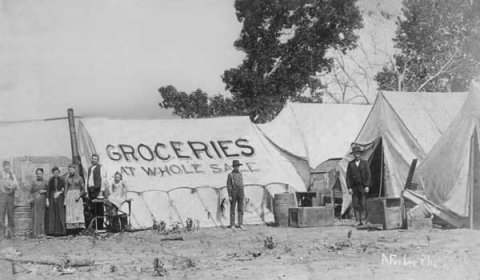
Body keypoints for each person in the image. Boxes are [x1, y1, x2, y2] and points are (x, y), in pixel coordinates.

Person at [346, 146, 371, 226]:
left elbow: (368, 175)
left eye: (358, 153)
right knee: (355, 204)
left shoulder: (365, 163)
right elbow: (348, 177)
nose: (356, 155)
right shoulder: (350, 164)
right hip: (354, 188)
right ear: (353, 155)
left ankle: (363, 220)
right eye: (355, 154)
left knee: (363, 204)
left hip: (362, 187)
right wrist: (349, 187)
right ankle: (357, 220)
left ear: (360, 154)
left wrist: (367, 186)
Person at [85, 154, 107, 230]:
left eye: (95, 159)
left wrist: (101, 190)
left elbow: (103, 179)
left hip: (98, 190)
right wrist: (86, 191)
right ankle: (94, 226)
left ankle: (100, 226)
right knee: (92, 208)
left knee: (99, 208)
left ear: (97, 160)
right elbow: (87, 180)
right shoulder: (89, 168)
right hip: (91, 190)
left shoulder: (101, 167)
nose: (94, 160)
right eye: (93, 159)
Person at [0, 161, 19, 238]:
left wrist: (12, 187)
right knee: (1, 214)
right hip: (2, 196)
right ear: (3, 167)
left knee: (11, 214)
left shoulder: (12, 175)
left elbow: (17, 187)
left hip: (10, 196)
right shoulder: (0, 175)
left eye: (8, 166)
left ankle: (11, 234)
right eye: (5, 166)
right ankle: (2, 233)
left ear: (10, 166)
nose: (7, 168)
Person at [46, 167, 66, 235]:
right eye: (54, 172)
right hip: (52, 197)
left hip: (60, 197)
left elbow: (64, 189)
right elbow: (48, 190)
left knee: (59, 212)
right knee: (52, 213)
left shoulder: (62, 179)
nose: (56, 174)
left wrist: (60, 192)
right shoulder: (51, 180)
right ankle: (52, 231)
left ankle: (61, 231)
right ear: (52, 173)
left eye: (57, 172)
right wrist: (47, 200)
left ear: (59, 172)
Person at [65, 164, 85, 231]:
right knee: (70, 212)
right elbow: (66, 189)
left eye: (72, 169)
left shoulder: (79, 178)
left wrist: (79, 195)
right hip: (69, 196)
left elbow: (83, 189)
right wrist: (65, 199)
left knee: (77, 212)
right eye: (70, 170)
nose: (71, 171)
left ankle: (79, 229)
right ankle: (71, 230)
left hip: (77, 196)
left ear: (75, 170)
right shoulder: (67, 178)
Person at [29, 168, 48, 237]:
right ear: (36, 174)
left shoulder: (46, 182)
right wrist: (31, 198)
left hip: (42, 200)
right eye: (37, 173)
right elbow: (30, 191)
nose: (39, 175)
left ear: (42, 174)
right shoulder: (33, 182)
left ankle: (42, 233)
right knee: (35, 216)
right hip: (35, 201)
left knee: (42, 216)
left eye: (40, 173)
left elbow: (49, 191)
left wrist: (44, 191)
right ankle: (36, 233)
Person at [226, 160, 245, 229]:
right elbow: (228, 185)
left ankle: (240, 224)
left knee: (241, 208)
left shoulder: (240, 174)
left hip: (241, 192)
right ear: (233, 167)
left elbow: (242, 185)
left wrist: (243, 194)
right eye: (236, 166)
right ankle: (232, 224)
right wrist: (229, 195)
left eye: (238, 166)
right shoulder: (230, 175)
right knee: (233, 209)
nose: (237, 167)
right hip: (233, 192)